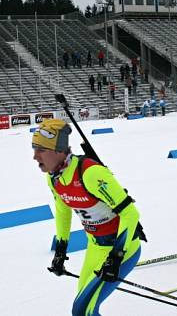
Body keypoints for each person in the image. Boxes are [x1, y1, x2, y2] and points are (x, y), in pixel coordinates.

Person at [32, 119, 144, 316]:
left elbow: (130, 213)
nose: (34, 156)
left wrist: (116, 256)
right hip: (95, 248)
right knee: (83, 312)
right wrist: (60, 250)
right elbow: (63, 211)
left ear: (58, 151)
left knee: (83, 310)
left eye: (40, 150)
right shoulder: (53, 177)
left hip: (123, 250)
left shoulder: (90, 173)